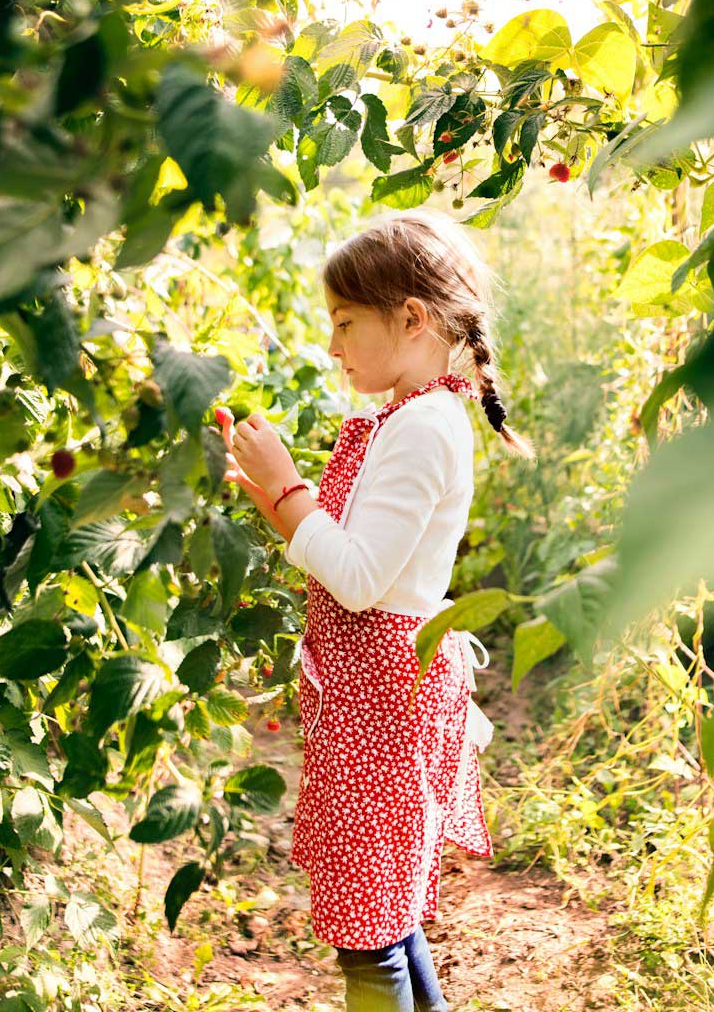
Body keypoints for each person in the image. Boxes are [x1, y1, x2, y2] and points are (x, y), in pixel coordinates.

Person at [219, 208, 537, 1011]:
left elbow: (359, 579)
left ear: (411, 318)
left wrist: (290, 489)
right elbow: (354, 545)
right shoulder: (401, 416)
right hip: (372, 698)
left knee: (368, 938)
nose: (332, 345)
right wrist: (275, 498)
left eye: (344, 322)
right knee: (383, 917)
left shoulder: (425, 427)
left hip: (383, 702)